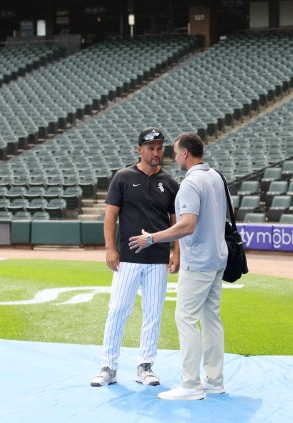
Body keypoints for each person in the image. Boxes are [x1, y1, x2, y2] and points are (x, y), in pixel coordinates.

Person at [129, 131, 228, 401]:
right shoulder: (216, 176)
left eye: (175, 151)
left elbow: (187, 225)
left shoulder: (190, 183)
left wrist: (152, 238)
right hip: (218, 257)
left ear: (185, 152)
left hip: (198, 262)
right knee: (211, 320)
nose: (173, 156)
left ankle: (191, 384)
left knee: (185, 319)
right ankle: (215, 380)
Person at [90, 127, 180, 388]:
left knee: (153, 313)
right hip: (127, 258)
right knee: (117, 310)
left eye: (160, 148)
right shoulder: (123, 177)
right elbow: (110, 216)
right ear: (140, 149)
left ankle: (145, 366)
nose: (156, 152)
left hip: (157, 259)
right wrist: (110, 248)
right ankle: (108, 366)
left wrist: (176, 252)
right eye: (151, 148)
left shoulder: (170, 182)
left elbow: (175, 222)